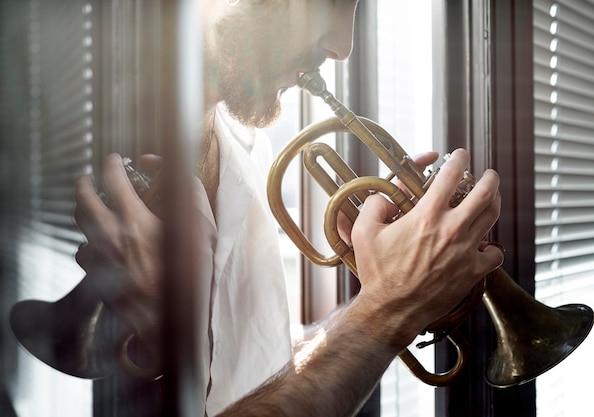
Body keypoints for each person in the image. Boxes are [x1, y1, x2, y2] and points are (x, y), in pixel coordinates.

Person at [73, 0, 504, 416]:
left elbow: (250, 373)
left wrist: (390, 284)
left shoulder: (251, 151)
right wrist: (388, 308)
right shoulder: (96, 139)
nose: (342, 46)